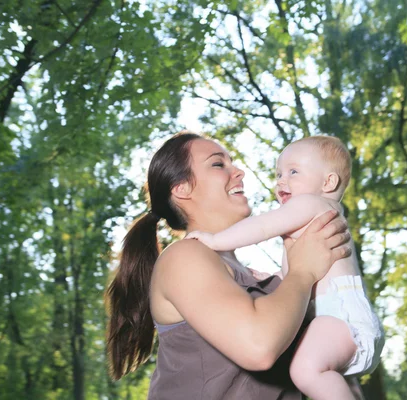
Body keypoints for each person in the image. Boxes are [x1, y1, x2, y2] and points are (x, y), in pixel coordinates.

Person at [105, 132, 353, 400]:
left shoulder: (263, 279)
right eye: (218, 164)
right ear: (182, 188)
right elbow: (258, 347)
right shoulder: (184, 257)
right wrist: (303, 271)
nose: (239, 171)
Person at [187, 136, 385, 400]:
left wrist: (215, 240)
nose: (281, 180)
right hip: (339, 319)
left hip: (340, 316)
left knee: (305, 370)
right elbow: (306, 272)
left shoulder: (312, 204)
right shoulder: (316, 216)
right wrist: (273, 277)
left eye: (293, 172)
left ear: (328, 182)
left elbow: (263, 226)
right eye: (279, 173)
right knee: (329, 378)